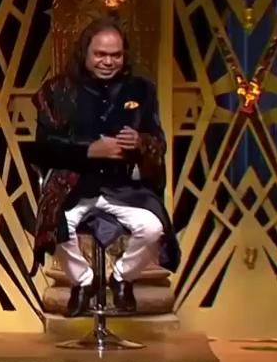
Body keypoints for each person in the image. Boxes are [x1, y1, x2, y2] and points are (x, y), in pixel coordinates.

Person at [29, 19, 171, 317]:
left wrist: (141, 142)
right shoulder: (57, 91)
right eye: (100, 55)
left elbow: (159, 142)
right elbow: (44, 149)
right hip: (74, 185)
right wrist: (89, 150)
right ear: (85, 53)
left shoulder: (141, 90)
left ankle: (122, 278)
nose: (108, 62)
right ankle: (83, 281)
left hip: (125, 187)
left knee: (153, 228)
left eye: (115, 55)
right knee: (54, 224)